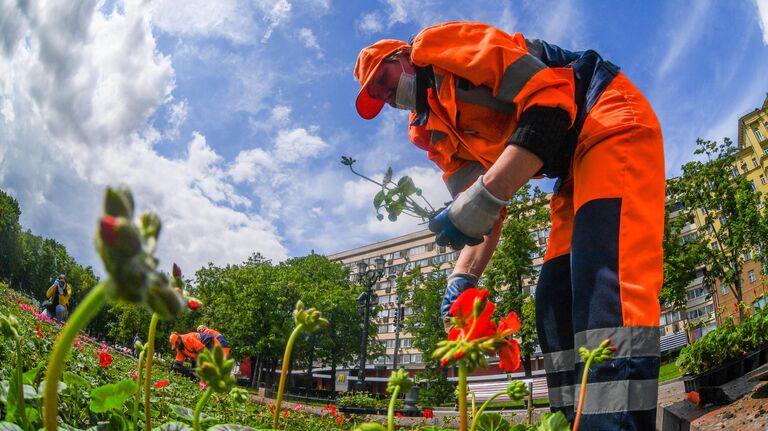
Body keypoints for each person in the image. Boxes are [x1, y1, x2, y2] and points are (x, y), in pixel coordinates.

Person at [354, 21, 664, 430]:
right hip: (571, 168)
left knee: (606, 282)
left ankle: (615, 423)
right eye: (373, 96)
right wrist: (462, 278)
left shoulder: (437, 48)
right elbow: (485, 213)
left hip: (608, 119)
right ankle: (573, 418)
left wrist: (486, 195)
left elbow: (551, 104)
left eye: (381, 78)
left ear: (403, 57)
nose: (381, 95)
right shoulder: (430, 134)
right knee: (553, 298)